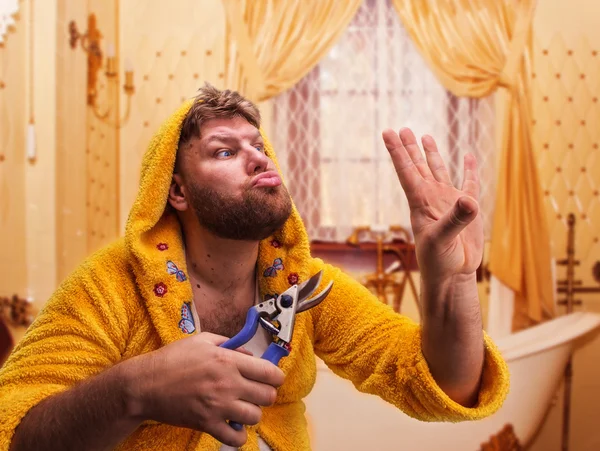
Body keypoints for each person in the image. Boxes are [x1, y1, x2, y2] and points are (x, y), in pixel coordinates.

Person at [0, 83, 509, 451]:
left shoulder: (306, 285)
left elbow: (445, 386)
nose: (259, 159)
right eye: (225, 150)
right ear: (175, 191)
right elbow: (13, 430)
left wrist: (454, 281)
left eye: (259, 147)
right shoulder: (106, 287)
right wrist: (135, 391)